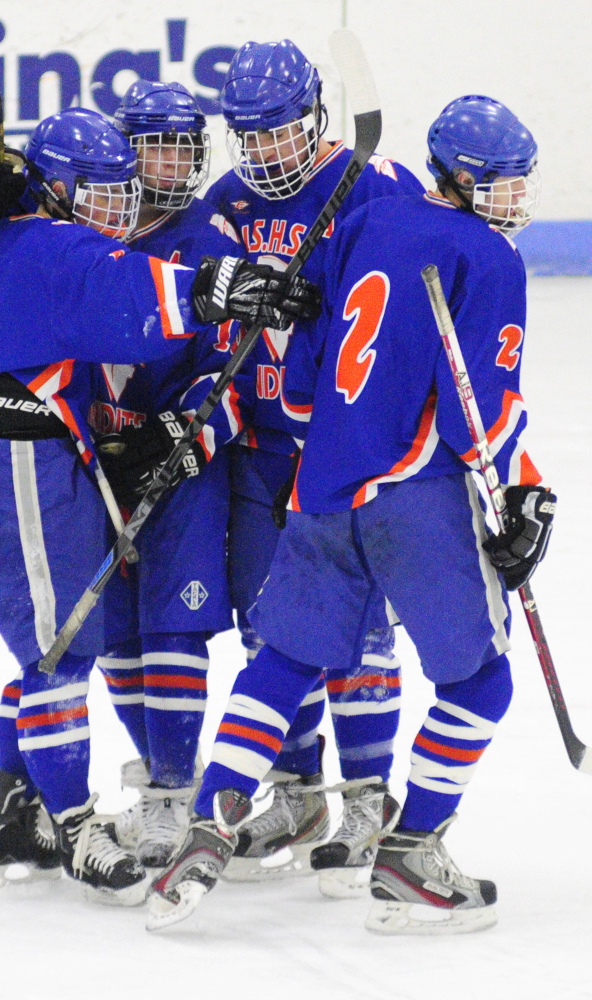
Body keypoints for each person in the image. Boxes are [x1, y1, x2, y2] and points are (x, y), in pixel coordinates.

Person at [148, 95, 555, 935]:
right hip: (415, 494)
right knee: (482, 679)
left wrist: (331, 432)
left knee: (287, 658)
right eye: (504, 181)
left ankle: (212, 817)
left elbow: (299, 374)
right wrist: (522, 495)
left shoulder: (369, 224)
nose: (517, 197)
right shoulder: (491, 255)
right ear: (464, 178)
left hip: (321, 482)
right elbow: (476, 411)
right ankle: (412, 853)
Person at [0, 106, 318, 903]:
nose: (118, 204)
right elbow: (122, 290)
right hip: (26, 462)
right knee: (58, 649)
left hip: (45, 458)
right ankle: (73, 826)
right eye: (99, 189)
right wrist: (221, 288)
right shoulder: (53, 241)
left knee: (61, 637)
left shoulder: (3, 236)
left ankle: (19, 801)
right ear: (60, 187)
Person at [203, 38, 424, 883]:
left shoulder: (370, 186)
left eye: (279, 132)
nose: (263, 152)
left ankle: (369, 794)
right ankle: (299, 793)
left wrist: (322, 302)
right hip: (256, 446)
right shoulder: (225, 200)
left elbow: (397, 302)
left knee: (360, 634)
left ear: (316, 120)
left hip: (338, 453)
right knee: (269, 628)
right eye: (249, 136)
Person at [91, 80, 251, 868]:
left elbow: (235, 364)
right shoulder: (86, 226)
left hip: (181, 468)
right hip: (96, 464)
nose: (175, 162)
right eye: (158, 144)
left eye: (187, 146)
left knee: (172, 624)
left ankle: (166, 792)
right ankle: (167, 776)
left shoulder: (210, 237)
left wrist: (189, 429)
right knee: (116, 633)